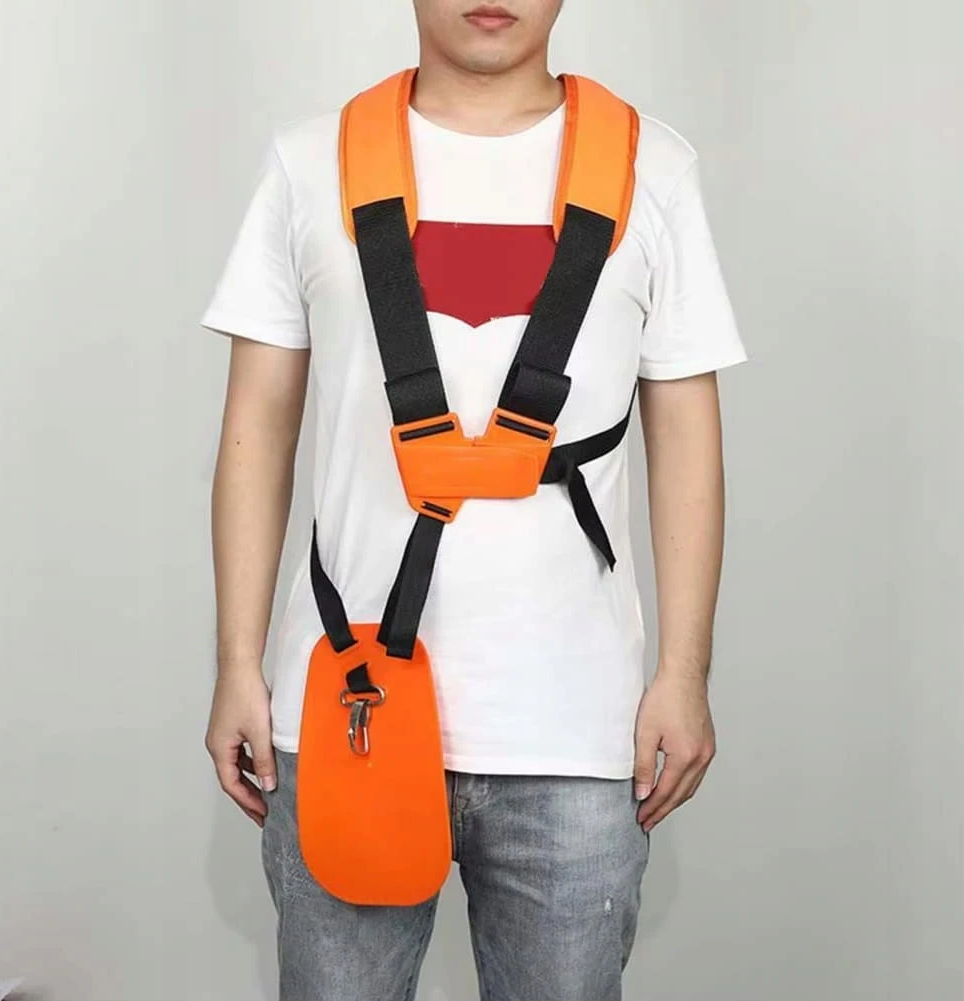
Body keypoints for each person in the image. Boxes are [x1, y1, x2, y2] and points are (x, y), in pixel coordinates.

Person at [200, 1, 746, 998]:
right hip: (347, 701)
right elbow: (254, 432)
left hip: (577, 723)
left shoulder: (651, 169)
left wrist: (683, 670)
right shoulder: (309, 163)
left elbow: (686, 441)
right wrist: (237, 659)